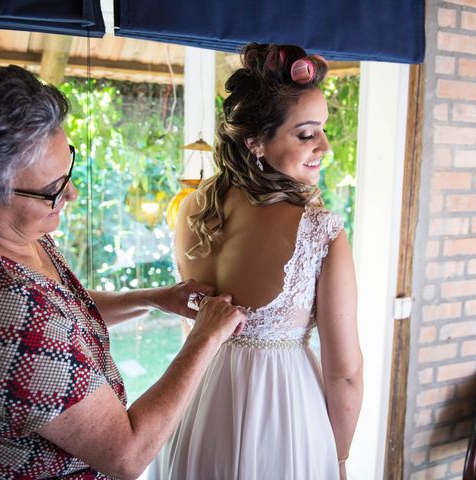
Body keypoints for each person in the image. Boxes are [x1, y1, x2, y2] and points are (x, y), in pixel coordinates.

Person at [0, 65, 246, 479]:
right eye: (52, 188)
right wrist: (205, 338)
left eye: (68, 165)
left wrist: (151, 299)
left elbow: (60, 318)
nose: (69, 193)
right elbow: (127, 453)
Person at [151, 44, 363, 480]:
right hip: (284, 418)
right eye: (306, 134)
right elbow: (345, 373)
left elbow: (190, 320)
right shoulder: (319, 228)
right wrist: (337, 458)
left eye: (323, 130)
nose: (325, 145)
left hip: (196, 403)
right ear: (256, 142)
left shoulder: (192, 208)